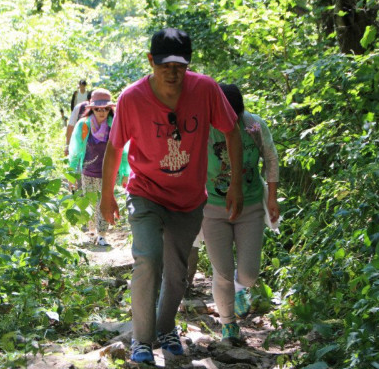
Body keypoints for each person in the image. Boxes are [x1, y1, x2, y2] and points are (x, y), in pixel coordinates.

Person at [100, 28, 244, 364]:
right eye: (165, 65)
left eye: (180, 65)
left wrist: (236, 184)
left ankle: (166, 329)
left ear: (188, 65)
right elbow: (114, 149)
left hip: (189, 199)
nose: (172, 72)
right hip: (145, 192)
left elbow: (232, 131)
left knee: (177, 272)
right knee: (148, 258)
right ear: (151, 61)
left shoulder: (205, 89)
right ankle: (141, 340)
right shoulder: (132, 98)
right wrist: (105, 196)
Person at [200, 83, 280, 345]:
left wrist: (272, 196)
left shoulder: (254, 126)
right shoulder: (203, 128)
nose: (229, 123)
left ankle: (239, 289)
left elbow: (270, 157)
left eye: (234, 117)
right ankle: (228, 324)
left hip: (250, 205)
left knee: (249, 274)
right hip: (212, 207)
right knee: (221, 271)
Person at [68, 88, 129, 246]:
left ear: (110, 109)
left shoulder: (114, 126)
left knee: (105, 200)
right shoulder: (83, 126)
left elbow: (123, 151)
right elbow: (74, 151)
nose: (101, 113)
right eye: (97, 109)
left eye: (105, 109)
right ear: (91, 109)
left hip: (108, 172)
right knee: (90, 201)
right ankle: (92, 231)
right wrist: (72, 173)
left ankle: (102, 234)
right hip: (88, 170)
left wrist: (124, 172)